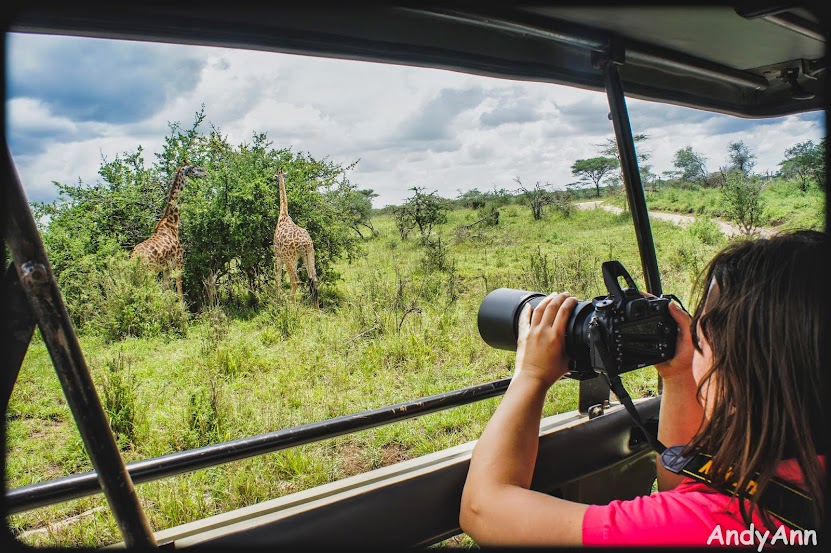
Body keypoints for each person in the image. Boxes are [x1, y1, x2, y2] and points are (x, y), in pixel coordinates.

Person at [459, 230, 827, 547]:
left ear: (743, 368)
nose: (695, 338)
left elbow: (483, 509)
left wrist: (531, 373)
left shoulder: (715, 523)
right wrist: (679, 375)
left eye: (705, 331)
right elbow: (683, 493)